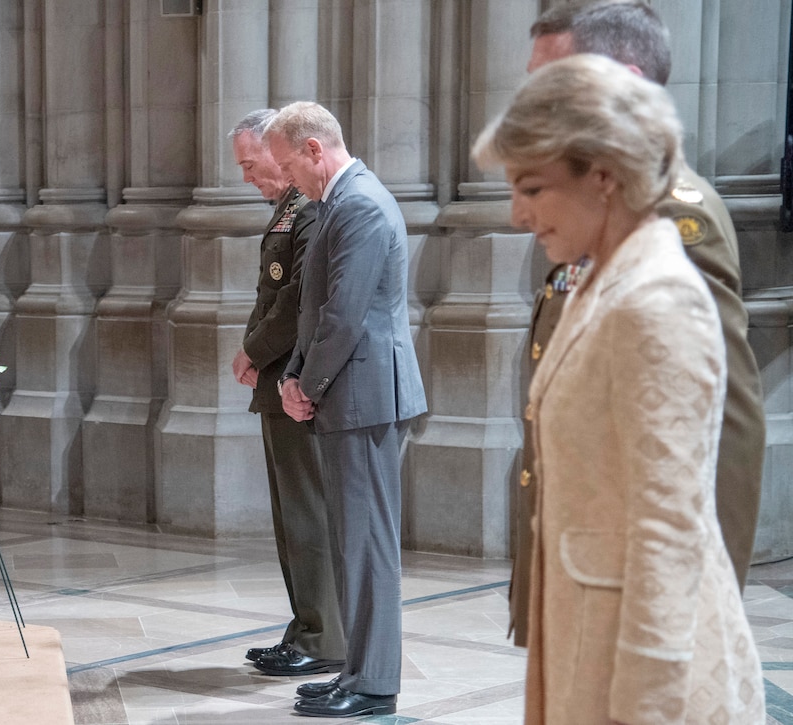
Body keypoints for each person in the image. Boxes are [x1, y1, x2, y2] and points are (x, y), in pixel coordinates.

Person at [474, 53, 765, 724]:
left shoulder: (656, 297)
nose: (518, 215)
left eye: (533, 188)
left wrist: (648, 705)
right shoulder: (604, 277)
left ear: (603, 176)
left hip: (641, 670)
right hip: (589, 641)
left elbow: (670, 525)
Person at [264, 101, 427, 719]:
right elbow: (317, 305)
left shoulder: (359, 203)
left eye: (288, 165)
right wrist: (297, 373)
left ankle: (374, 683)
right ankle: (357, 672)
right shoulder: (339, 201)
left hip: (363, 397)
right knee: (351, 542)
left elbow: (346, 313)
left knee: (368, 545)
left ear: (314, 149)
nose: (286, 180)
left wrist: (305, 381)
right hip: (349, 394)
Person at [227, 110, 346, 677]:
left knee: (307, 512)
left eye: (253, 164)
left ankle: (323, 637)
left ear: (282, 151)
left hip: (293, 377)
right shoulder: (287, 212)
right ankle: (306, 629)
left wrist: (253, 349)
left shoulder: (308, 212)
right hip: (279, 377)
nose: (249, 177)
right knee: (290, 516)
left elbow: (300, 298)